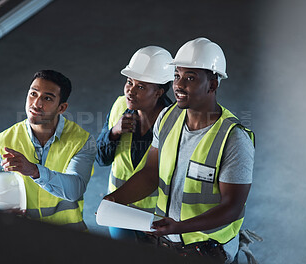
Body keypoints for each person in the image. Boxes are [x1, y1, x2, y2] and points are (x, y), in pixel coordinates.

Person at [104, 38, 255, 264]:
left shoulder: (233, 138)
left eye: (190, 78)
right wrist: (115, 199)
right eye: (177, 76)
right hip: (167, 244)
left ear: (212, 85)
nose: (178, 85)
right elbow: (150, 173)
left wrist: (180, 227)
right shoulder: (167, 118)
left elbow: (231, 207)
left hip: (209, 251)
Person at [0, 70, 96, 231]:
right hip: (23, 238)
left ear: (62, 108)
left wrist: (34, 171)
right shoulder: (6, 140)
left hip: (69, 238)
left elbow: (75, 190)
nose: (36, 103)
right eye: (33, 93)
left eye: (47, 98)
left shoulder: (82, 141)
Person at [96, 46, 174, 241]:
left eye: (141, 86)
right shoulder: (120, 106)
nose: (130, 91)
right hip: (119, 213)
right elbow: (100, 158)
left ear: (158, 92)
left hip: (156, 220)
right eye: (129, 82)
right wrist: (114, 132)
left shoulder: (175, 123)